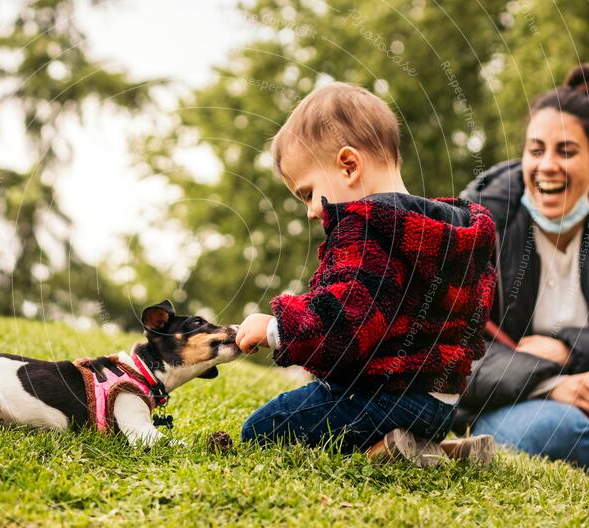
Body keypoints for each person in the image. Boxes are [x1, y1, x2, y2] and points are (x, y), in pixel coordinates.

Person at [235, 81, 498, 466]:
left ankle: (387, 450)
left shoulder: (367, 227)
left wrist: (276, 329)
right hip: (441, 405)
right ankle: (435, 448)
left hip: (385, 396)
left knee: (264, 428)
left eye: (307, 193)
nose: (310, 211)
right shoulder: (451, 228)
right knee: (322, 398)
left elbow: (346, 322)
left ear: (349, 165)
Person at [456, 64, 589, 470]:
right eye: (536, 150)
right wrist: (550, 382)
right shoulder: (480, 229)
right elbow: (452, 344)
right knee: (564, 430)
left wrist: (569, 346)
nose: (547, 165)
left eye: (566, 151)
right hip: (510, 400)